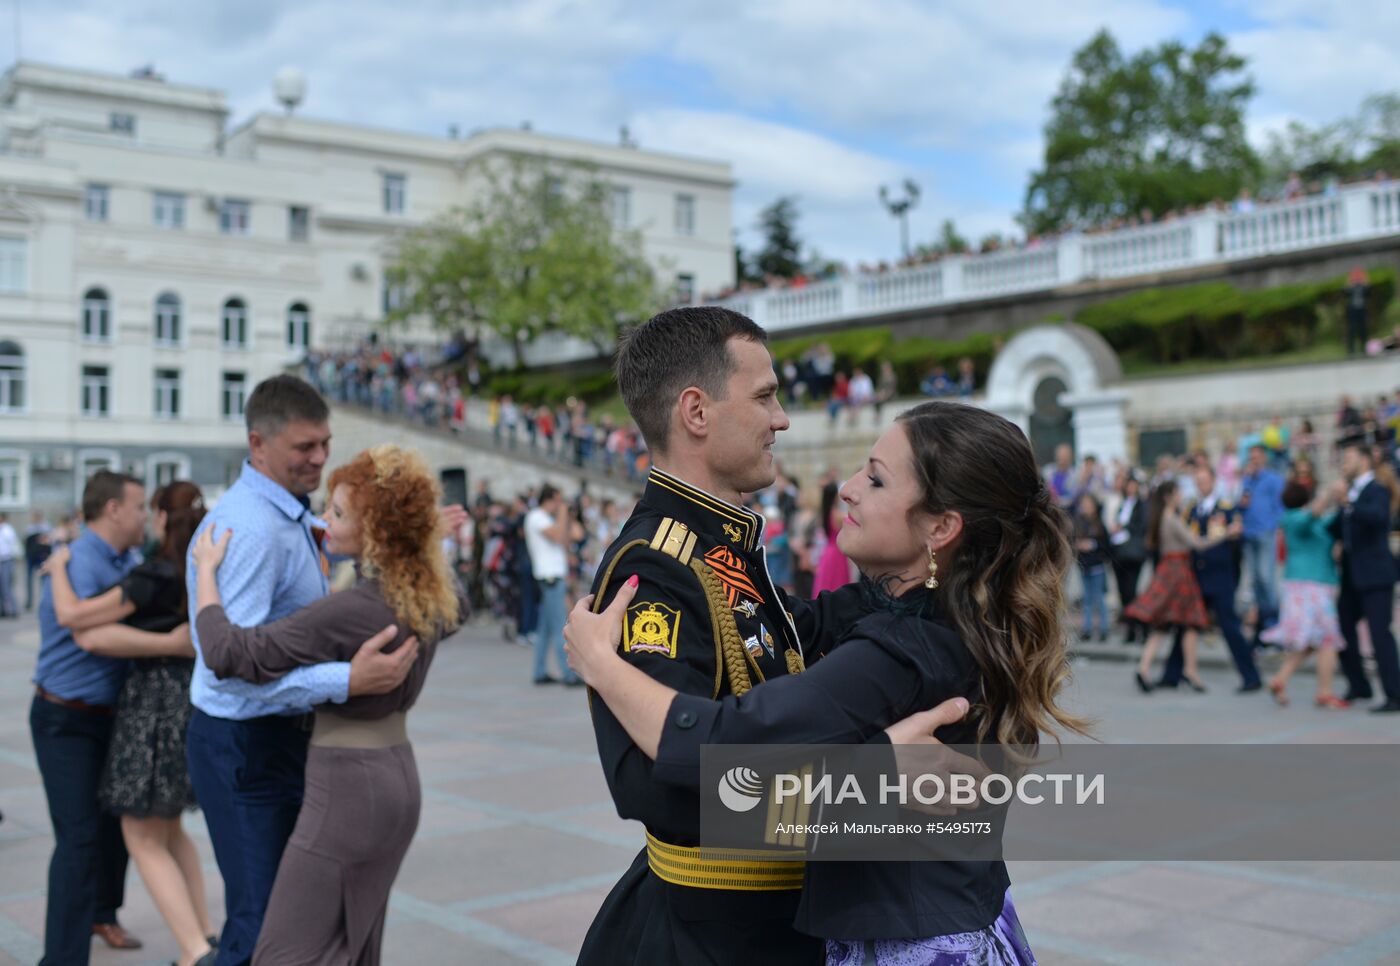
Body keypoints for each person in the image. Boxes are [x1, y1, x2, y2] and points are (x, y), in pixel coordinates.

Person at [565, 400, 1088, 964]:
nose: (848, 488)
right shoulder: (963, 610)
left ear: (941, 527)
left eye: (877, 479)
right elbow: (787, 622)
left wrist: (601, 664)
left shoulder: (898, 650)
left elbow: (715, 744)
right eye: (763, 396)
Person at [578, 307, 867, 965]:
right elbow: (655, 783)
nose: (782, 418)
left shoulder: (716, 547)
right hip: (711, 935)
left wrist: (923, 581)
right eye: (764, 396)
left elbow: (806, 630)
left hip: (769, 923)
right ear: (697, 413)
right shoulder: (655, 565)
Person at [184, 376, 425, 966]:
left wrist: (411, 533)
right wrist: (345, 680)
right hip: (246, 746)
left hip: (282, 742)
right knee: (263, 923)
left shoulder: (287, 515)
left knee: (300, 920)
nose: (319, 458)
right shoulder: (252, 529)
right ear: (258, 443)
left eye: (325, 444)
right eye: (304, 447)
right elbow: (230, 669)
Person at [43, 482, 216, 966]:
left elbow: (80, 625)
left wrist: (56, 566)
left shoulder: (151, 573)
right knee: (169, 831)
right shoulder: (195, 568)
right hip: (181, 704)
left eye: (147, 508)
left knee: (142, 836)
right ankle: (205, 935)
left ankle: (195, 951)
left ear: (162, 517)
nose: (142, 517)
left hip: (149, 711)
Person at [1124, 480, 1240, 693]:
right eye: (1178, 493)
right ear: (1169, 496)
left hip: (1169, 570)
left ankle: (1150, 667)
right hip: (1178, 572)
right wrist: (1226, 533)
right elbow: (1197, 543)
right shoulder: (1172, 519)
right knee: (1190, 621)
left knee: (1170, 624)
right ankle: (1188, 670)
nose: (1181, 497)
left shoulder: (1163, 518)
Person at [1154, 466, 1261, 693]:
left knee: (1230, 627)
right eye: (1197, 481)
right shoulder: (1191, 510)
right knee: (1186, 626)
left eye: (1204, 480)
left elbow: (1236, 544)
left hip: (1221, 577)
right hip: (1197, 577)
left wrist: (1233, 570)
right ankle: (1171, 675)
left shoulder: (1226, 509)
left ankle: (1251, 676)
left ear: (1214, 481)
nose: (1201, 485)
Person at [1260, 481, 1348, 708]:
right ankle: (1325, 692)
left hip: (1314, 584)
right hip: (1309, 587)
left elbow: (1329, 520)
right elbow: (1314, 515)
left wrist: (1343, 501)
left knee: (1310, 640)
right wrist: (1330, 492)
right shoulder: (1292, 519)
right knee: (1328, 638)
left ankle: (1280, 679)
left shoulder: (1312, 522)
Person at [1332, 441, 1400, 712]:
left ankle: (1394, 694)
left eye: (1348, 458)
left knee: (1379, 633)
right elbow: (1339, 528)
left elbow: (1378, 517)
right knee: (1341, 627)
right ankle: (1359, 685)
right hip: (1352, 575)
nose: (1344, 463)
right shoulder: (1350, 493)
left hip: (1375, 574)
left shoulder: (1376, 490)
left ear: (1364, 460)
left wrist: (1348, 502)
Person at [523, 484, 583, 685]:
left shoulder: (549, 519)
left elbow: (575, 535)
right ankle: (568, 674)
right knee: (559, 626)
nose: (560, 504)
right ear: (549, 500)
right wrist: (564, 513)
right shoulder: (536, 517)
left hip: (553, 577)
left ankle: (539, 672)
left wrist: (568, 516)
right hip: (549, 577)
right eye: (558, 500)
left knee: (545, 629)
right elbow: (558, 536)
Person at [1240, 444, 1285, 643]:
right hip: (1249, 533)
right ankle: (1263, 621)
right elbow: (1241, 505)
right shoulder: (1246, 480)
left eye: (1257, 457)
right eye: (1251, 457)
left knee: (1267, 578)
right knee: (1256, 580)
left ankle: (1273, 620)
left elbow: (1280, 506)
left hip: (1266, 533)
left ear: (1264, 458)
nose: (1254, 461)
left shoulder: (1274, 480)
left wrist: (1277, 528)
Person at [1107, 474, 1148, 644]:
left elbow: (1141, 526)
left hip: (1133, 553)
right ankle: (1130, 628)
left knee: (1131, 591)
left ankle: (1140, 627)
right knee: (1124, 592)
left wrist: (1124, 526)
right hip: (1119, 551)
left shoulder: (1142, 505)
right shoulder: (1123, 503)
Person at [1072, 493, 1110, 641]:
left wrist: (1092, 545)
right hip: (1084, 566)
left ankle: (1103, 628)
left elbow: (1106, 546)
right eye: (1084, 504)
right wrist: (1078, 546)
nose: (1086, 507)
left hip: (1097, 566)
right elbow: (1072, 541)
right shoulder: (1078, 523)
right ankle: (1086, 629)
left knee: (1099, 598)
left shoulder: (1099, 524)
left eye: (1088, 504)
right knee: (1086, 599)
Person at [25, 510, 53, 612]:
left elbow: (48, 543)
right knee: (28, 581)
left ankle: (44, 600)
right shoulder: (29, 528)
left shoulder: (45, 527)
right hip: (31, 557)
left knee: (43, 581)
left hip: (40, 557)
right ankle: (29, 602)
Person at [1345, 267, 1369, 356]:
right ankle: (1351, 350)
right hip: (1353, 311)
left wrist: (1365, 283)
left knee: (1363, 329)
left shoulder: (1363, 286)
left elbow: (1368, 292)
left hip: (1362, 310)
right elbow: (1346, 292)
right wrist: (1349, 283)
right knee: (1352, 330)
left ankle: (1364, 349)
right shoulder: (1351, 287)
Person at [0, 511, 19, 617]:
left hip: (6, 560)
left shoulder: (7, 530)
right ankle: (2, 610)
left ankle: (13, 610)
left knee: (7, 586)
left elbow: (12, 543)